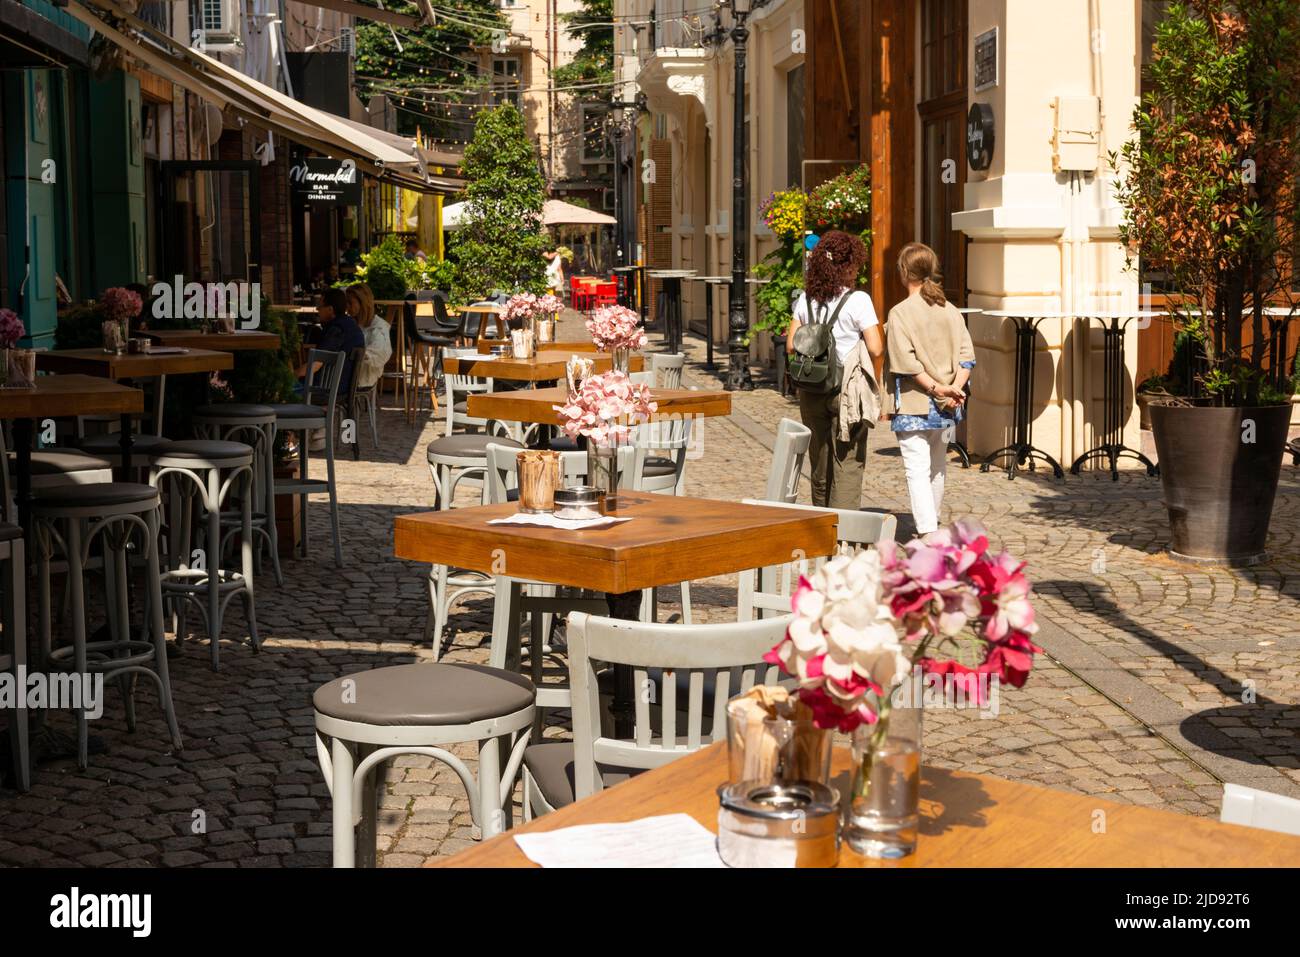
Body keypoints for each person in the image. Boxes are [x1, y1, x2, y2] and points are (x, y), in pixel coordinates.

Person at [784, 230, 884, 508]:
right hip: (846, 390)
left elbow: (791, 345)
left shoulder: (805, 299)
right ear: (850, 264)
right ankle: (845, 534)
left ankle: (822, 523)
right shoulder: (858, 300)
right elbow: (875, 348)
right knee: (848, 460)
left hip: (812, 388)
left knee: (819, 458)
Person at [885, 242, 975, 536]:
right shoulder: (950, 309)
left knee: (917, 469)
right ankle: (931, 523)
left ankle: (927, 531)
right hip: (949, 404)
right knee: (938, 467)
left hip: (916, 403)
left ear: (903, 272)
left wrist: (938, 389)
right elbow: (967, 357)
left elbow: (906, 364)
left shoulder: (900, 313)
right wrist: (954, 389)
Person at [298, 287, 365, 395]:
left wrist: (293, 375)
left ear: (330, 309)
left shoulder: (336, 330)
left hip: (326, 390)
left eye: (320, 306)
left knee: (284, 390)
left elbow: (316, 363)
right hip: (341, 386)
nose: (317, 309)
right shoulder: (351, 325)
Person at [347, 282, 391, 391]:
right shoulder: (351, 323)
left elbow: (378, 355)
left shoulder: (379, 329)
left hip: (362, 380)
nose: (347, 307)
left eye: (350, 303)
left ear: (362, 303)